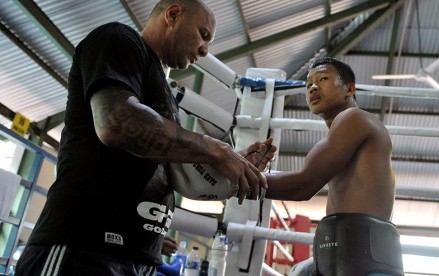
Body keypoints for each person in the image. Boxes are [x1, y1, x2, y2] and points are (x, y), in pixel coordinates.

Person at [15, 0, 273, 275]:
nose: (204, 49)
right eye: (204, 34)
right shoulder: (119, 39)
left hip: (140, 257)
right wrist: (216, 150)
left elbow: (178, 177)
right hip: (84, 247)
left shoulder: (163, 92)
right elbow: (115, 122)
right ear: (173, 14)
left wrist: (229, 173)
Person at [264, 57, 404, 275]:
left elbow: (305, 184)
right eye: (308, 84)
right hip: (347, 255)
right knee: (300, 271)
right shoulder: (343, 130)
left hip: (365, 262)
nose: (313, 87)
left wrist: (237, 179)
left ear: (349, 89)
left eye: (323, 79)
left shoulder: (354, 118)